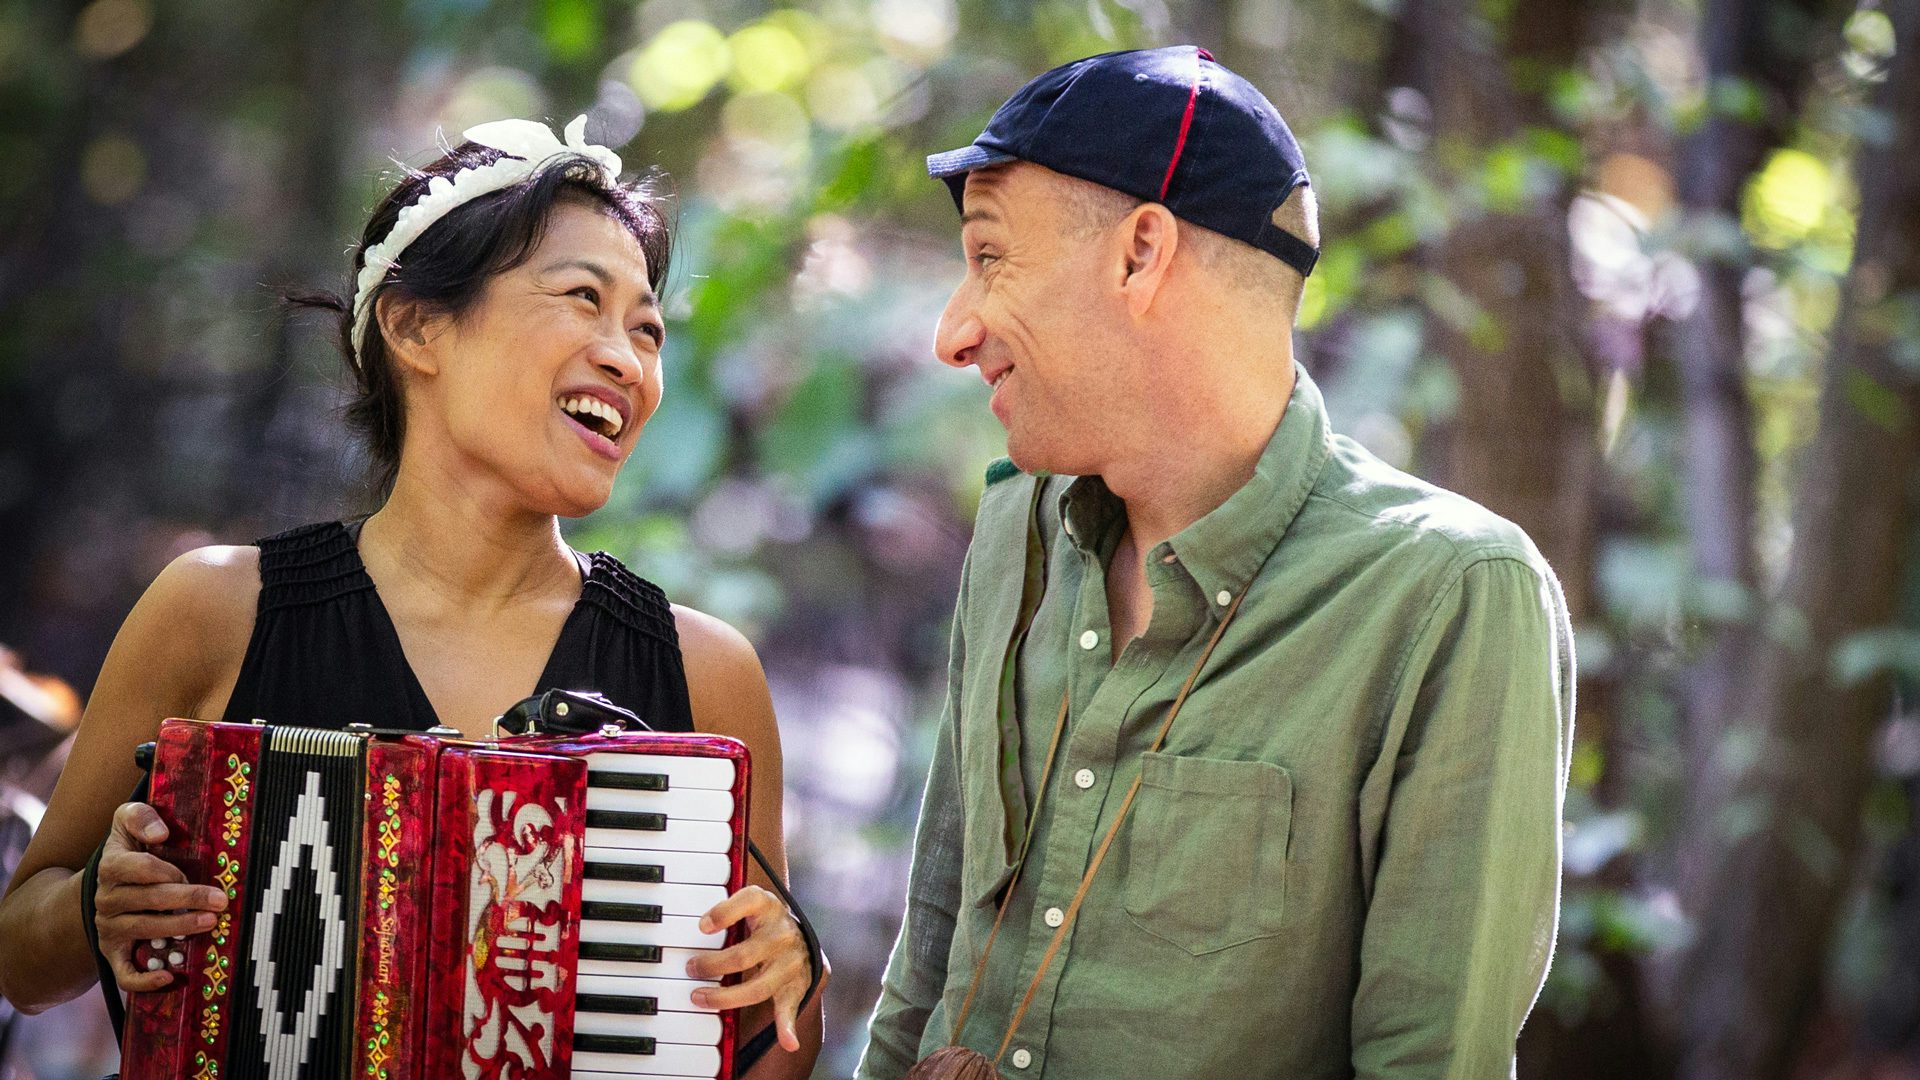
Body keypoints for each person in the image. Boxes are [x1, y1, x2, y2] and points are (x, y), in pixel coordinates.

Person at [0, 115, 823, 1076]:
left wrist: (788, 973)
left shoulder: (706, 672)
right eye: (582, 301)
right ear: (415, 326)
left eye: (646, 329)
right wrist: (100, 899)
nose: (629, 360)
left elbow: (766, 1049)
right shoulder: (213, 611)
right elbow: (22, 958)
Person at [857, 47, 1574, 1079]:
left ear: (1142, 253)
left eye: (990, 256)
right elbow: (928, 967)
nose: (952, 332)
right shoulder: (1019, 530)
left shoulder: (1450, 596)